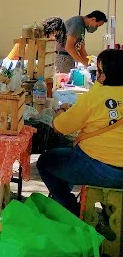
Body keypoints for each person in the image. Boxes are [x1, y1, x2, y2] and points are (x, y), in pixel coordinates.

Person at [37, 48, 123, 215]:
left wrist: (62, 110)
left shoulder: (96, 96)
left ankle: (68, 207)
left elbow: (60, 126)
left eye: (98, 70)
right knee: (66, 150)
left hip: (101, 168)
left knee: (46, 162)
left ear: (104, 74)